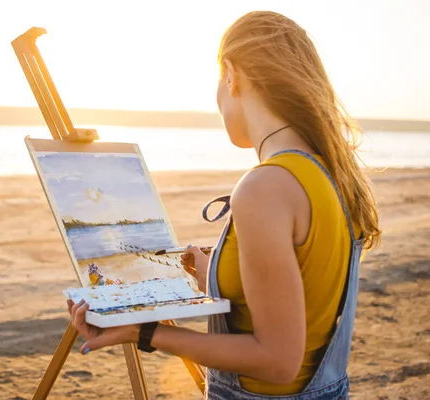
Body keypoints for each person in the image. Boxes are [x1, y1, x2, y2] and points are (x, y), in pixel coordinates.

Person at [67, 10, 381, 399]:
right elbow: (304, 298)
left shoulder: (265, 186)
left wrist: (143, 331)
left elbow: (278, 361)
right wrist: (214, 275)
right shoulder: (332, 175)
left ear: (231, 75)